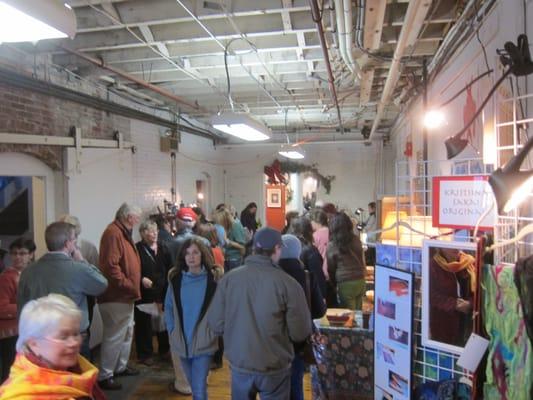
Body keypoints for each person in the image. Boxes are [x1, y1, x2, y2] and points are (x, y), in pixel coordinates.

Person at [207, 227, 312, 400]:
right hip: (275, 366)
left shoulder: (229, 279)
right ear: (277, 249)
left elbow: (216, 323)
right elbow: (300, 332)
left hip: (240, 363)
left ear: (254, 248)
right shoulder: (289, 284)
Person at [17, 222, 108, 360]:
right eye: (74, 240)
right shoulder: (78, 269)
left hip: (40, 340)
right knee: (76, 379)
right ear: (67, 244)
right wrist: (82, 260)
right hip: (71, 338)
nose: (75, 243)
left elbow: (22, 308)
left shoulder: (28, 272)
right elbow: (102, 284)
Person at [0, 294, 106, 399]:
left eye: (75, 334)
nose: (74, 343)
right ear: (33, 343)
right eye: (63, 337)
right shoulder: (21, 395)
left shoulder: (78, 368)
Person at [165, 238, 221, 400]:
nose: (191, 257)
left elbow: (222, 308)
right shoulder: (176, 280)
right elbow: (168, 306)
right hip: (181, 342)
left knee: (198, 389)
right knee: (192, 384)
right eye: (187, 253)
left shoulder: (213, 280)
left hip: (205, 342)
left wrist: (214, 330)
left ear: (202, 255)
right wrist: (171, 328)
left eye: (195, 252)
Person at [97, 203, 142, 390]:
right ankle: (105, 374)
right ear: (128, 217)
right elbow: (110, 267)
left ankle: (120, 367)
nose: (138, 221)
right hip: (117, 296)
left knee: (127, 332)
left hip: (125, 296)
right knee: (114, 335)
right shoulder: (114, 233)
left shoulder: (120, 232)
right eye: (136, 217)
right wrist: (128, 284)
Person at [278, 234, 326, 400]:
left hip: (272, 339)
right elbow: (319, 311)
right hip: (299, 340)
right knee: (296, 384)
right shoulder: (306, 276)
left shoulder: (269, 276)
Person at [134, 221, 172, 366]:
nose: (155, 233)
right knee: (144, 324)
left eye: (155, 230)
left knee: (163, 322)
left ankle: (164, 350)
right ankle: (145, 354)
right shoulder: (137, 249)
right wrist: (141, 278)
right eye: (150, 231)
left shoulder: (164, 247)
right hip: (145, 291)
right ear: (143, 233)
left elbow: (170, 267)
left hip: (162, 290)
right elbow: (133, 269)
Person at [0, 238, 36, 383]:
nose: (18, 257)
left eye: (22, 253)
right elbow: (1, 307)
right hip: (11, 334)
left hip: (27, 331)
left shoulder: (32, 274)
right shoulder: (6, 278)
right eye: (14, 254)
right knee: (11, 374)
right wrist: (28, 306)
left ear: (31, 255)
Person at [429, 247, 475, 347]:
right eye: (450, 244)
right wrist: (454, 304)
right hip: (444, 323)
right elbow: (431, 295)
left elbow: (477, 290)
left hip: (468, 321)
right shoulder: (432, 265)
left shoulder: (467, 261)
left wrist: (470, 304)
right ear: (441, 247)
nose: (456, 248)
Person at [327, 212, 366, 310]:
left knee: (349, 316)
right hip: (360, 280)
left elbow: (331, 268)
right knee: (358, 314)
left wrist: (333, 284)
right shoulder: (356, 239)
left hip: (345, 282)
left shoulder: (333, 245)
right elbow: (362, 259)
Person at [289, 217, 327, 300]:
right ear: (309, 231)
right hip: (307, 295)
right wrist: (322, 297)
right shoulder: (310, 250)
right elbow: (317, 277)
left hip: (290, 294)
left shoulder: (287, 248)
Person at [364, 202, 377, 266]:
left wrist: (363, 226)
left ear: (373, 208)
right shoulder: (371, 216)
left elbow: (367, 227)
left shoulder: (373, 217)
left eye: (369, 208)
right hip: (371, 239)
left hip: (372, 239)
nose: (368, 210)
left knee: (371, 256)